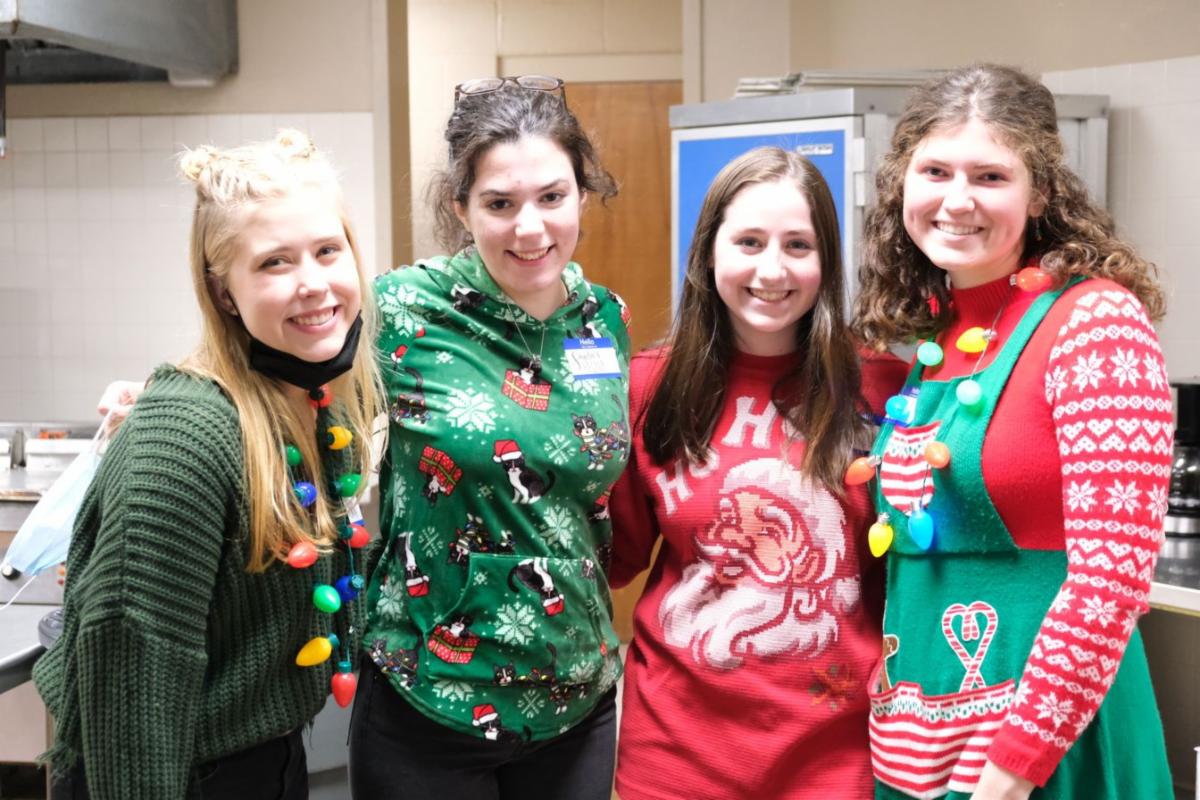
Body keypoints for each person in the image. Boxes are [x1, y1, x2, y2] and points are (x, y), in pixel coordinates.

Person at [853, 64, 1173, 799]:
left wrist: (1015, 766)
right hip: (920, 745)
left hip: (1045, 751)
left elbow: (1112, 579)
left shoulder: (1096, 323)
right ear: (902, 184)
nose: (957, 200)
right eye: (935, 171)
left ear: (1042, 192)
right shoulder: (937, 340)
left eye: (990, 176)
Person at [34, 130, 385, 799]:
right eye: (275, 263)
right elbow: (134, 672)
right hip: (164, 772)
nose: (314, 284)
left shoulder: (311, 398)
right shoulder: (184, 437)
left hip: (265, 759)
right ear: (223, 292)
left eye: (327, 250)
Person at [348, 77, 631, 799]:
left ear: (583, 194)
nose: (530, 229)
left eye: (552, 197)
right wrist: (182, 390)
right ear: (461, 207)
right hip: (427, 698)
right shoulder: (401, 310)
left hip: (575, 696)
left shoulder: (604, 320)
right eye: (500, 204)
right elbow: (289, 377)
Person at [607, 147, 907, 799]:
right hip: (674, 759)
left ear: (826, 260)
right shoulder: (649, 386)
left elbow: (912, 578)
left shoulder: (885, 388)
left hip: (837, 761)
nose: (772, 269)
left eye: (797, 245)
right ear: (709, 251)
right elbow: (609, 560)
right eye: (749, 242)